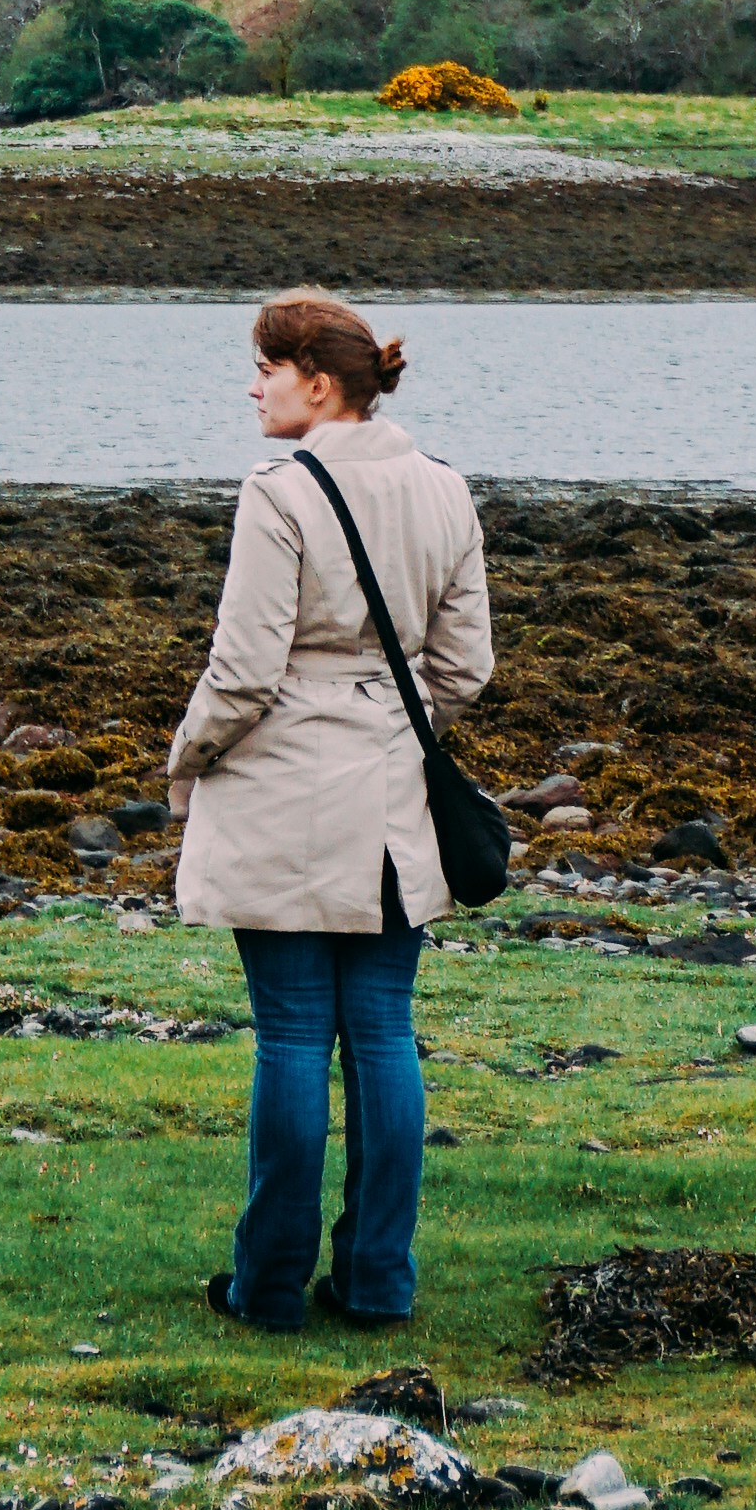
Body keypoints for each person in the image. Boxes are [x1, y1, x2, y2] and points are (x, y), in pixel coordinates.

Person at [166, 287, 492, 1333]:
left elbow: (244, 669)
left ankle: (265, 1287)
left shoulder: (279, 491)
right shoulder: (445, 486)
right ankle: (376, 1283)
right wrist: (386, 726)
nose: (250, 383)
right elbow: (465, 667)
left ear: (318, 382)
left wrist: (186, 759)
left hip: (283, 795)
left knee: (292, 1038)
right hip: (397, 805)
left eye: (265, 365)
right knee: (383, 1035)